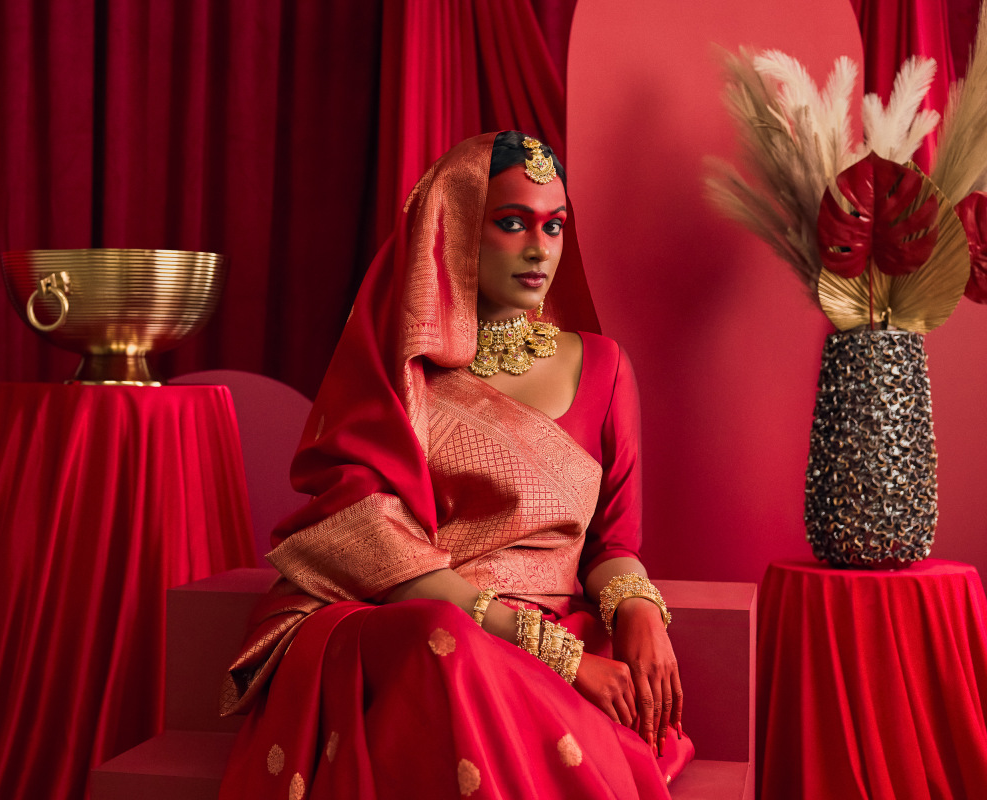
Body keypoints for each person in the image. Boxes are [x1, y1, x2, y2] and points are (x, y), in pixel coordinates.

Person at [219, 132, 691, 799]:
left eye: (554, 226)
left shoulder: (605, 367)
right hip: (423, 617)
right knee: (444, 639)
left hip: (557, 623)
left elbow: (612, 543)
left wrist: (638, 608)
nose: (539, 249)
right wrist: (556, 657)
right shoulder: (403, 372)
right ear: (455, 229)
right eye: (512, 223)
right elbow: (364, 529)